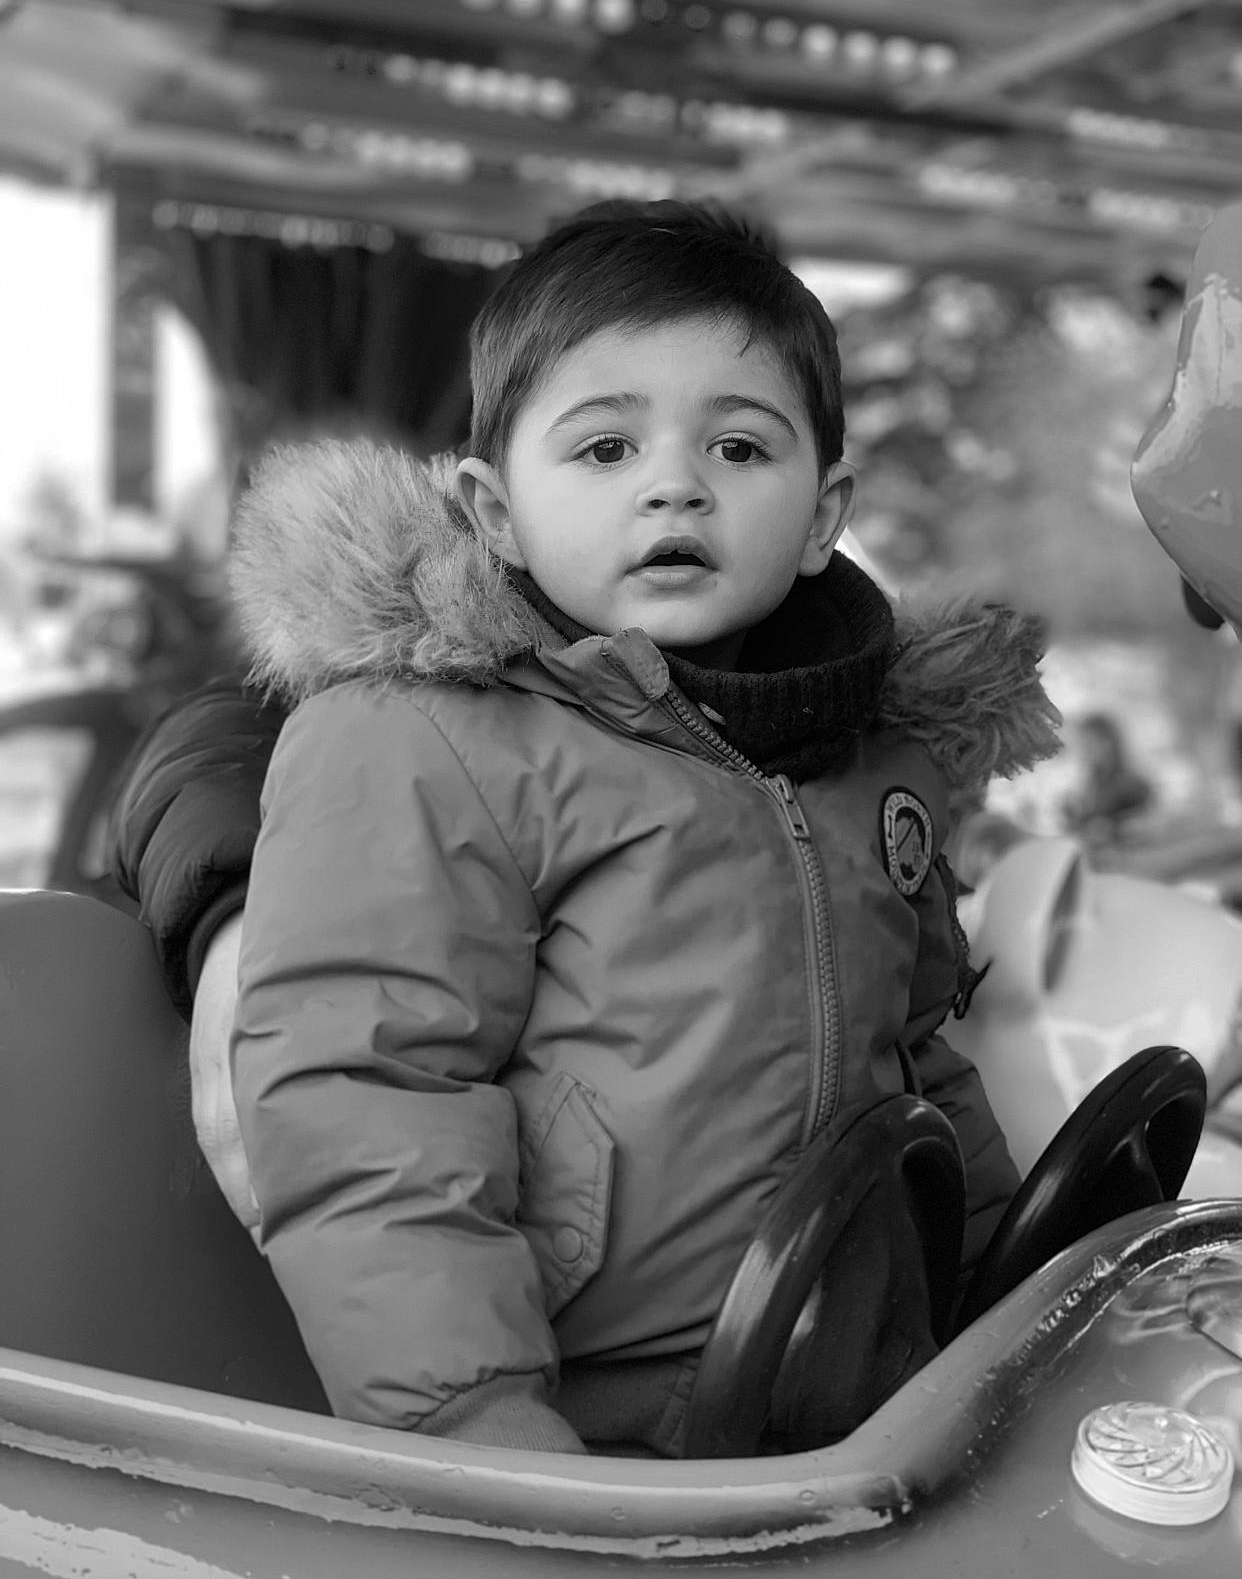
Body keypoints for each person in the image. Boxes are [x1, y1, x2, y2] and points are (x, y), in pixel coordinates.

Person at [110, 200, 1061, 1457]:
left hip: (855, 1393)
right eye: (606, 450)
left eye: (738, 448)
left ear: (827, 513)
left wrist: (1011, 1280)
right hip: (588, 1425)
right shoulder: (424, 740)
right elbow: (371, 1091)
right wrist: (472, 1411)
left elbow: (921, 1062)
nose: (675, 483)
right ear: (492, 513)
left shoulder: (876, 764)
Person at [1059, 709, 1154, 848]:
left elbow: (1147, 824)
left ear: (1108, 743)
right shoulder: (1093, 784)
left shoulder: (1131, 783)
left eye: (1089, 742)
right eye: (1082, 743)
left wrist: (1113, 829)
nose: (1084, 749)